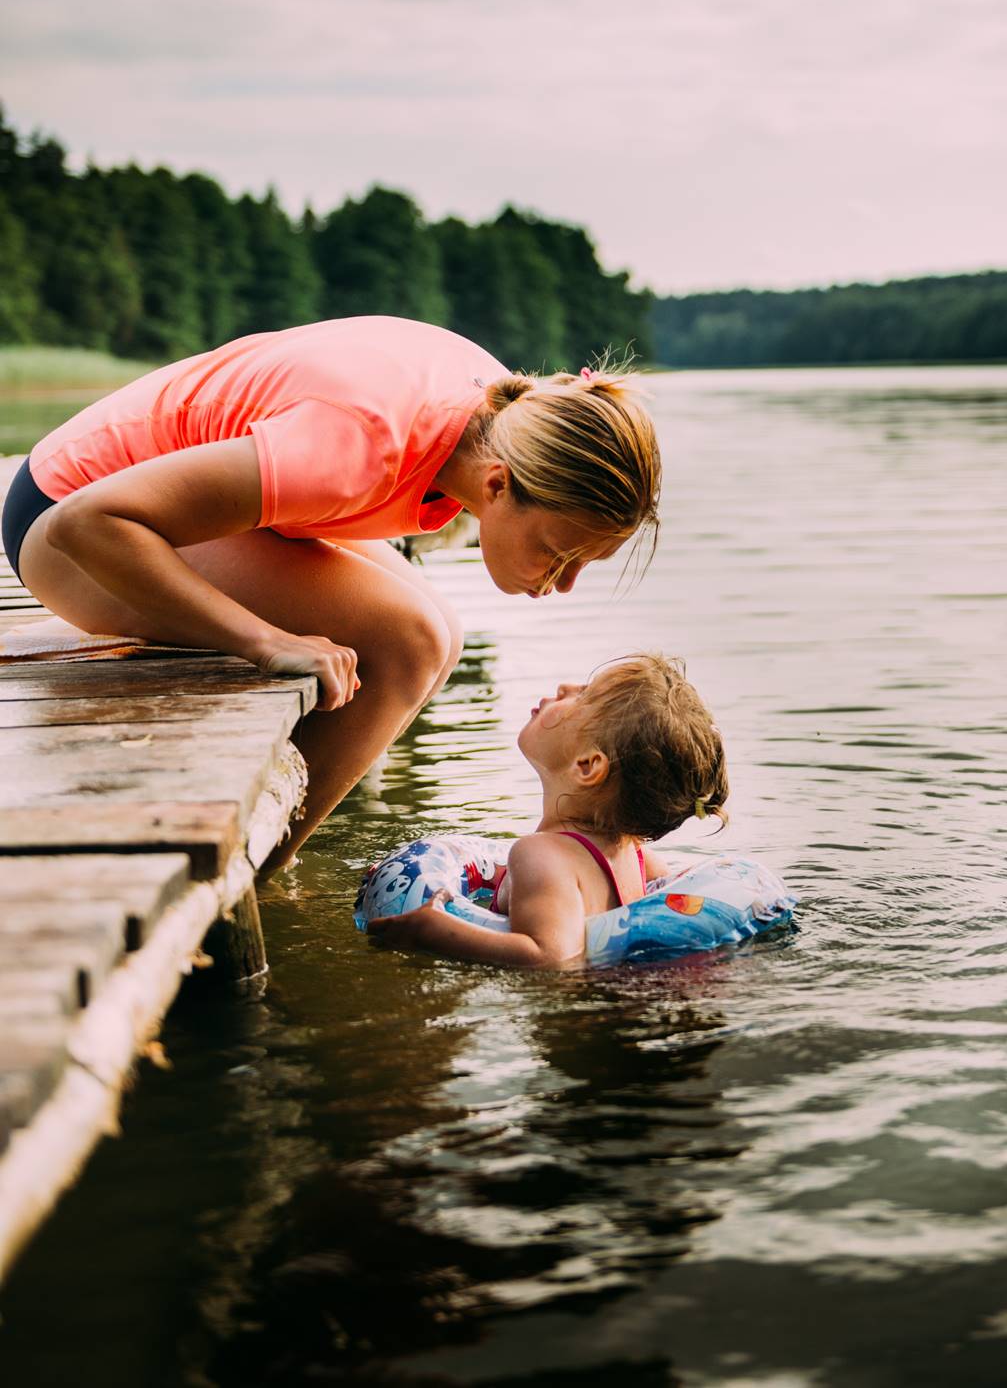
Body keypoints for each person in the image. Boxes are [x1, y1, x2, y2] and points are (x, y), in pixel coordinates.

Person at [1, 317, 661, 868]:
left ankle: (278, 851)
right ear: (497, 485)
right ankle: (252, 873)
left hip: (156, 509)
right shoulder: (359, 447)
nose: (563, 583)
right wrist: (262, 641)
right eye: (558, 553)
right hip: (66, 530)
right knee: (409, 640)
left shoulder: (500, 415)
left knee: (442, 633)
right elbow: (86, 523)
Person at [367, 652, 729, 968]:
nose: (565, 687)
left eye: (584, 695)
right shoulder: (637, 858)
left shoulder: (540, 855)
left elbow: (550, 956)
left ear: (587, 766)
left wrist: (433, 930)